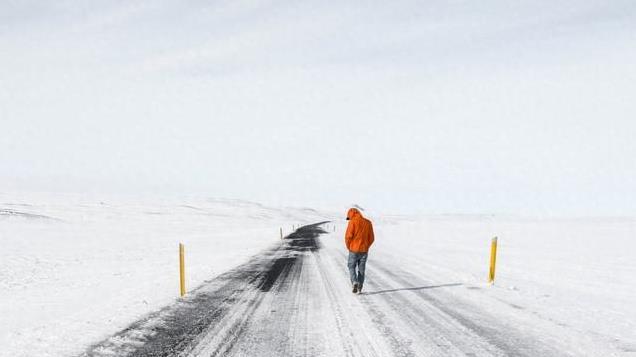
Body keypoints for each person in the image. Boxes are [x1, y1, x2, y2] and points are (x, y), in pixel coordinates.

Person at [344, 207, 374, 294]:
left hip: (354, 249)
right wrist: (366, 246)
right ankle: (360, 287)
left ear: (351, 215)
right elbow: (371, 238)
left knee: (351, 266)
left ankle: (354, 282)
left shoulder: (352, 222)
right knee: (361, 269)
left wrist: (349, 246)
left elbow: (348, 237)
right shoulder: (368, 223)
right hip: (364, 250)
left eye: (349, 217)